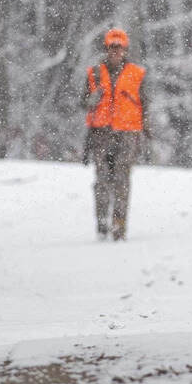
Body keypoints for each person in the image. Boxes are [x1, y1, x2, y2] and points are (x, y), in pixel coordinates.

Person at [83, 28, 150, 240]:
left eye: (119, 48)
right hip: (101, 133)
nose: (115, 52)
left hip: (128, 134)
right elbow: (82, 102)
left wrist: (145, 132)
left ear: (125, 49)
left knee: (122, 181)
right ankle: (102, 223)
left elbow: (145, 105)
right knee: (102, 180)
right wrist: (92, 99)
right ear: (106, 48)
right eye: (112, 47)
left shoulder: (137, 74)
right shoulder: (94, 73)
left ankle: (119, 226)